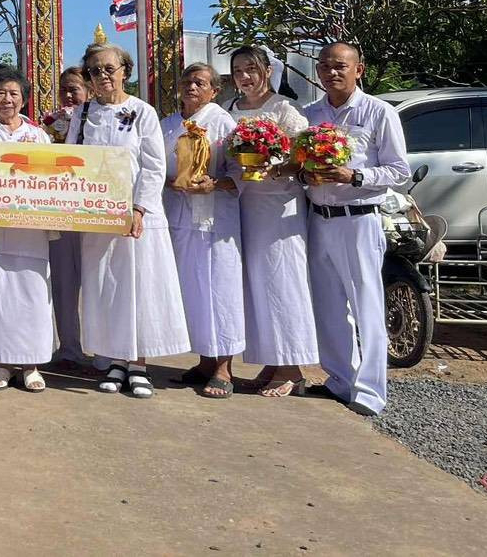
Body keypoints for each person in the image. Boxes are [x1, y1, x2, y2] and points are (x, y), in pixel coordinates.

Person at [70, 41, 188, 398]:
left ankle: (139, 364)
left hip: (135, 218)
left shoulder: (142, 112)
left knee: (139, 288)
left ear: (125, 71)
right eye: (94, 70)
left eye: (109, 68)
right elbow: (73, 160)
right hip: (96, 217)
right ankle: (115, 360)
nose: (103, 76)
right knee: (106, 288)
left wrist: (139, 208)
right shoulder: (83, 113)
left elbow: (153, 167)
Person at [300, 42, 410, 417]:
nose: (332, 72)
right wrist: (303, 172)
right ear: (318, 72)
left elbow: (399, 170)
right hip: (319, 217)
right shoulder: (309, 114)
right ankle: (339, 380)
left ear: (358, 70)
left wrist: (356, 175)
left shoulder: (378, 112)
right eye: (325, 66)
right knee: (328, 305)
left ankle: (370, 392)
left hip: (359, 218)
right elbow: (299, 164)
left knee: (366, 305)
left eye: (340, 66)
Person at [224, 45, 315, 398]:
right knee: (257, 284)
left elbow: (301, 156)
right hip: (243, 204)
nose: (244, 77)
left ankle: (293, 367)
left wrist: (274, 166)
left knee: (282, 281)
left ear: (266, 70)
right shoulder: (230, 110)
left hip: (278, 206)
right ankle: (271, 361)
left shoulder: (284, 108)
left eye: (251, 69)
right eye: (238, 70)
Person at [0, 69, 54, 392]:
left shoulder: (39, 137)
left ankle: (31, 364)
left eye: (14, 94)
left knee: (32, 297)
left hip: (29, 233)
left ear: (24, 99)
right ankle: (2, 363)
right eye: (1, 93)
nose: (7, 99)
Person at [162, 63, 242, 398]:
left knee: (219, 289)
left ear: (214, 90)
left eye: (201, 83)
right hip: (179, 217)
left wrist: (215, 183)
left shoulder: (223, 122)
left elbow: (240, 172)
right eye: (188, 81)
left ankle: (224, 366)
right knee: (193, 290)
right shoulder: (167, 124)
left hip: (215, 221)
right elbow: (156, 165)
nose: (192, 87)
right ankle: (204, 360)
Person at [46, 67, 89, 368]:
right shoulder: (49, 125)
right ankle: (69, 348)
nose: (69, 95)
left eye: (75, 88)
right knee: (63, 283)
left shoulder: (100, 120)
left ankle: (106, 352)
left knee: (99, 284)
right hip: (60, 213)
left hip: (94, 212)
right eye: (64, 89)